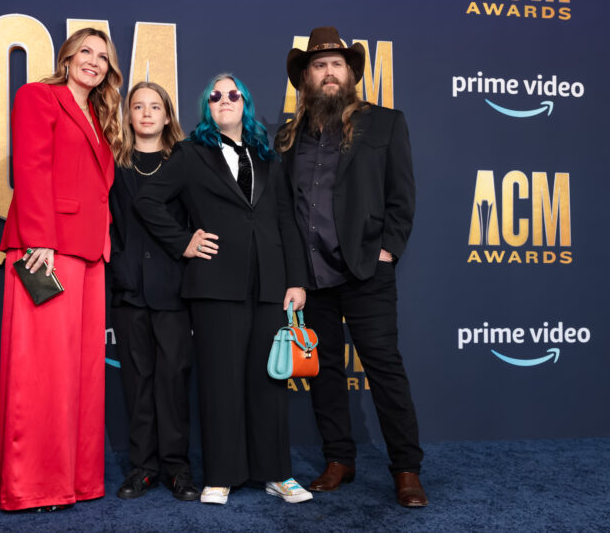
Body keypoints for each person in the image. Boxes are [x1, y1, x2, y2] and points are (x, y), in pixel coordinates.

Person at [134, 74, 312, 505]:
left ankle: (276, 474)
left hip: (270, 284)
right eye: (215, 95)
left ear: (246, 104)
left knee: (269, 381)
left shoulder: (270, 157)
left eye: (234, 94)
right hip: (215, 284)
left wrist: (296, 279)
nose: (225, 99)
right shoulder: (192, 155)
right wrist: (183, 242)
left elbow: (286, 221)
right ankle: (222, 474)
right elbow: (147, 201)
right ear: (207, 108)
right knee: (220, 382)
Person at [273, 26, 427, 508]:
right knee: (325, 374)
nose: (329, 72)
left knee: (384, 368)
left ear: (351, 73)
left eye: (337, 64)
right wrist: (294, 275)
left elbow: (402, 197)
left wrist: (388, 251)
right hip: (312, 279)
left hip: (366, 273)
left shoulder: (386, 123)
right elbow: (285, 210)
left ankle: (406, 468)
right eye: (319, 65)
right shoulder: (288, 137)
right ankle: (339, 459)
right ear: (306, 79)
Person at [0, 28, 123, 512]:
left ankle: (76, 480)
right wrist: (40, 242)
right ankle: (35, 485)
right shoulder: (38, 97)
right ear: (66, 57)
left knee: (82, 376)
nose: (93, 61)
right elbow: (31, 169)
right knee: (43, 372)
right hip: (46, 251)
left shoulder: (98, 115)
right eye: (85, 52)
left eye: (102, 57)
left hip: (90, 255)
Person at [108, 81, 198, 502]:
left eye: (155, 106)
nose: (146, 113)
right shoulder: (113, 163)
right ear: (128, 116)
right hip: (129, 291)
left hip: (174, 289)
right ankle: (143, 467)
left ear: (167, 116)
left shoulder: (185, 161)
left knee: (172, 382)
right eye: (137, 106)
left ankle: (178, 469)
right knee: (137, 384)